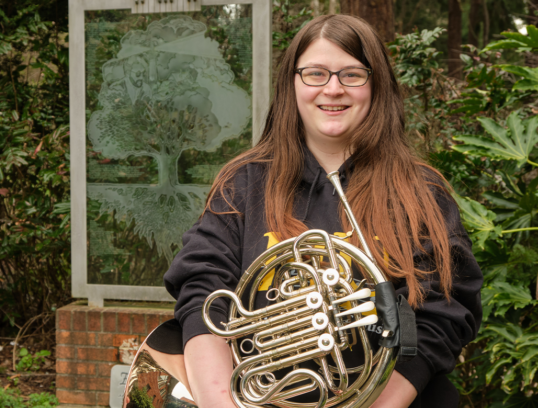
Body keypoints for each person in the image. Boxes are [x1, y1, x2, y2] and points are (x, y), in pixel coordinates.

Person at [160, 14, 483, 408]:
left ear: (376, 85)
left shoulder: (421, 191)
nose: (332, 89)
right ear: (292, 84)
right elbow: (203, 292)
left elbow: (443, 313)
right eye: (315, 73)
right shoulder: (243, 184)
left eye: (352, 74)